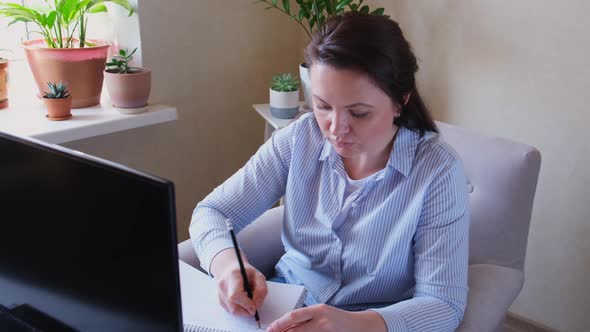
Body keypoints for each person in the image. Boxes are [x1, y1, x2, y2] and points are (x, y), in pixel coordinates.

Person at [190, 12, 469, 332]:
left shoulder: (437, 171)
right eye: (323, 106)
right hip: (280, 307)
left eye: (359, 113)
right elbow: (212, 211)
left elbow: (443, 304)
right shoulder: (299, 139)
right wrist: (227, 266)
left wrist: (353, 324)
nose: (336, 129)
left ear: (399, 103)